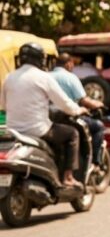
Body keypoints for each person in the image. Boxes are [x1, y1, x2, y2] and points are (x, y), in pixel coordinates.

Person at [0, 43, 87, 187]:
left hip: (13, 131)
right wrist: (79, 110)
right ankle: (68, 177)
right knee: (72, 133)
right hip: (38, 130)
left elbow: (3, 106)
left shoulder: (9, 78)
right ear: (40, 59)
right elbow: (64, 103)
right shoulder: (43, 77)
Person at [50, 53, 106, 166]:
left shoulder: (46, 76)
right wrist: (97, 104)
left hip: (49, 118)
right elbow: (83, 101)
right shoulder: (70, 77)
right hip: (68, 117)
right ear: (68, 64)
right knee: (98, 126)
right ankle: (95, 160)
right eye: (72, 64)